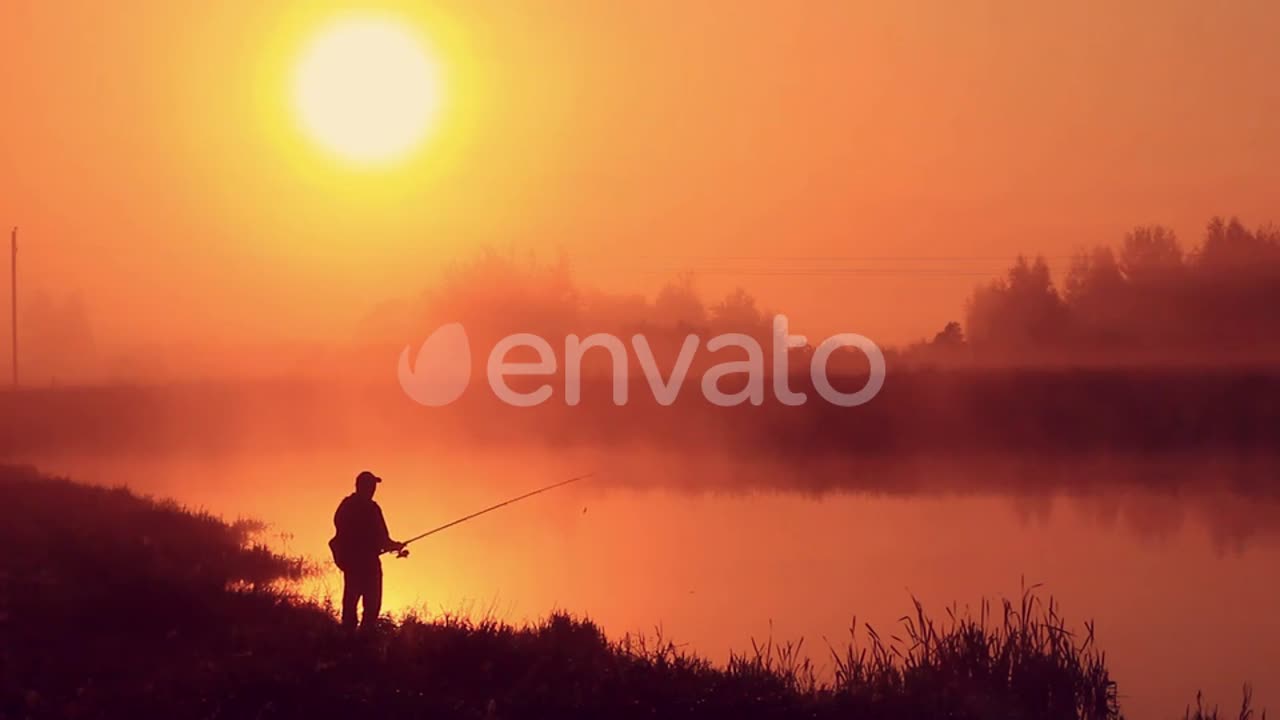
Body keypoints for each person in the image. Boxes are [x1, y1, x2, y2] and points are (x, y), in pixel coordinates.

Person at [330, 470, 405, 632]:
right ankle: (364, 639)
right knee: (372, 607)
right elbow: (383, 539)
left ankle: (347, 637)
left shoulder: (346, 506)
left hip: (351, 565)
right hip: (369, 565)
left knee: (350, 604)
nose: (373, 490)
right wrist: (395, 546)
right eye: (372, 486)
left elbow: (339, 529)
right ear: (366, 487)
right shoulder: (372, 509)